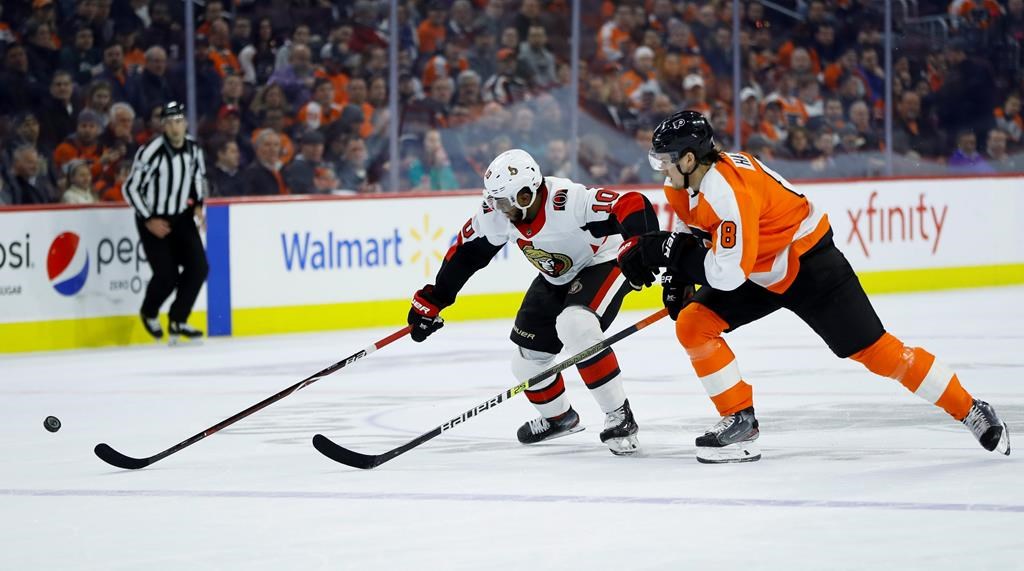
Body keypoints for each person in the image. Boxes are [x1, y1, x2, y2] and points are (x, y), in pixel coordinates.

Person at [616, 109, 1011, 463]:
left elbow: (728, 274)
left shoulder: (728, 190)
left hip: (809, 265)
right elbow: (695, 227)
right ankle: (740, 423)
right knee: (693, 324)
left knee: (878, 353)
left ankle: (970, 408)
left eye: (666, 161)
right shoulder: (682, 184)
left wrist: (672, 254)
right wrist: (677, 277)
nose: (661, 169)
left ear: (688, 158)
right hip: (758, 267)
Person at [407, 149, 660, 455]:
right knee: (526, 360)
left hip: (602, 261)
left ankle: (620, 416)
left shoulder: (566, 200)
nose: (500, 209)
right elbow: (466, 254)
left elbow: (632, 203)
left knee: (576, 325)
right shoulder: (497, 213)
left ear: (527, 194)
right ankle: (559, 418)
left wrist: (643, 248)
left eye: (505, 201)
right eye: (495, 201)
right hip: (556, 276)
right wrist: (436, 298)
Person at [122, 101, 209, 344]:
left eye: (179, 121)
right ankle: (149, 312)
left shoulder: (193, 148)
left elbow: (198, 178)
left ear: (186, 123)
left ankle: (178, 319)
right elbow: (131, 188)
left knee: (199, 267)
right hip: (154, 218)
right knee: (167, 275)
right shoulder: (152, 151)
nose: (175, 127)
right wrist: (149, 219)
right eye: (170, 122)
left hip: (181, 217)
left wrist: (199, 205)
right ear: (163, 126)